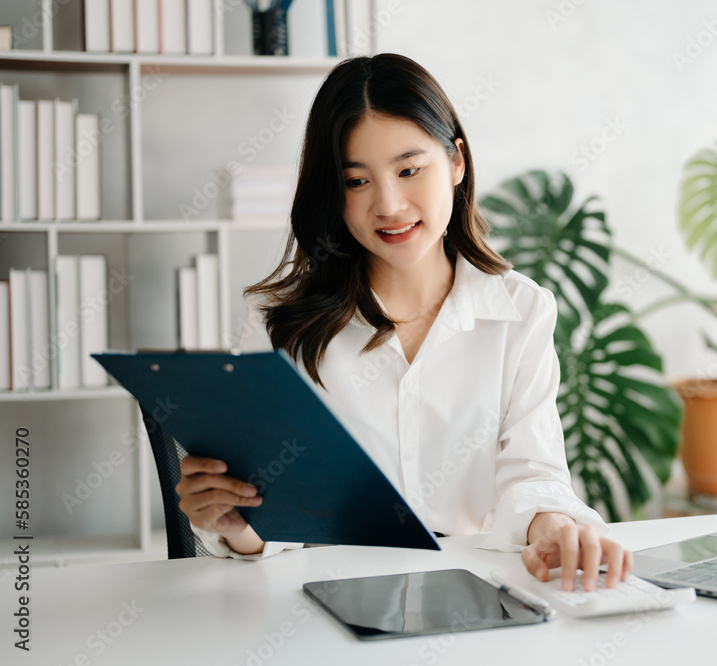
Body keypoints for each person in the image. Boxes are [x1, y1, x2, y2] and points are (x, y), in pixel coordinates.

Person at [175, 53, 633, 591]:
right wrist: (236, 524)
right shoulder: (285, 326)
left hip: (477, 597)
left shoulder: (521, 311)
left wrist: (553, 525)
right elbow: (275, 513)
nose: (389, 205)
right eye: (356, 181)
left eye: (409, 170)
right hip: (330, 605)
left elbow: (533, 473)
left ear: (457, 163)